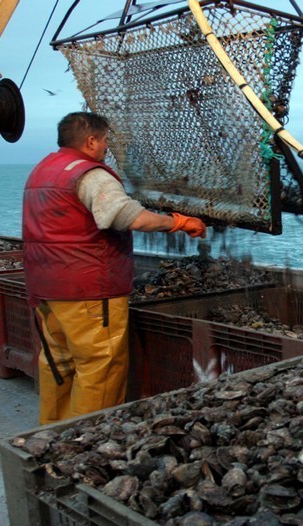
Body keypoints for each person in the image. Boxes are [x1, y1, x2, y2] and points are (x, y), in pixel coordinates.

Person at [22, 111, 206, 425]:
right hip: (90, 293)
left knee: (58, 365)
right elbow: (129, 217)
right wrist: (177, 222)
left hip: (46, 290)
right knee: (100, 369)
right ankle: (86, 444)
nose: (107, 147)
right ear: (91, 140)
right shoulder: (91, 174)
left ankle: (50, 435)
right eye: (105, 140)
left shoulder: (43, 171)